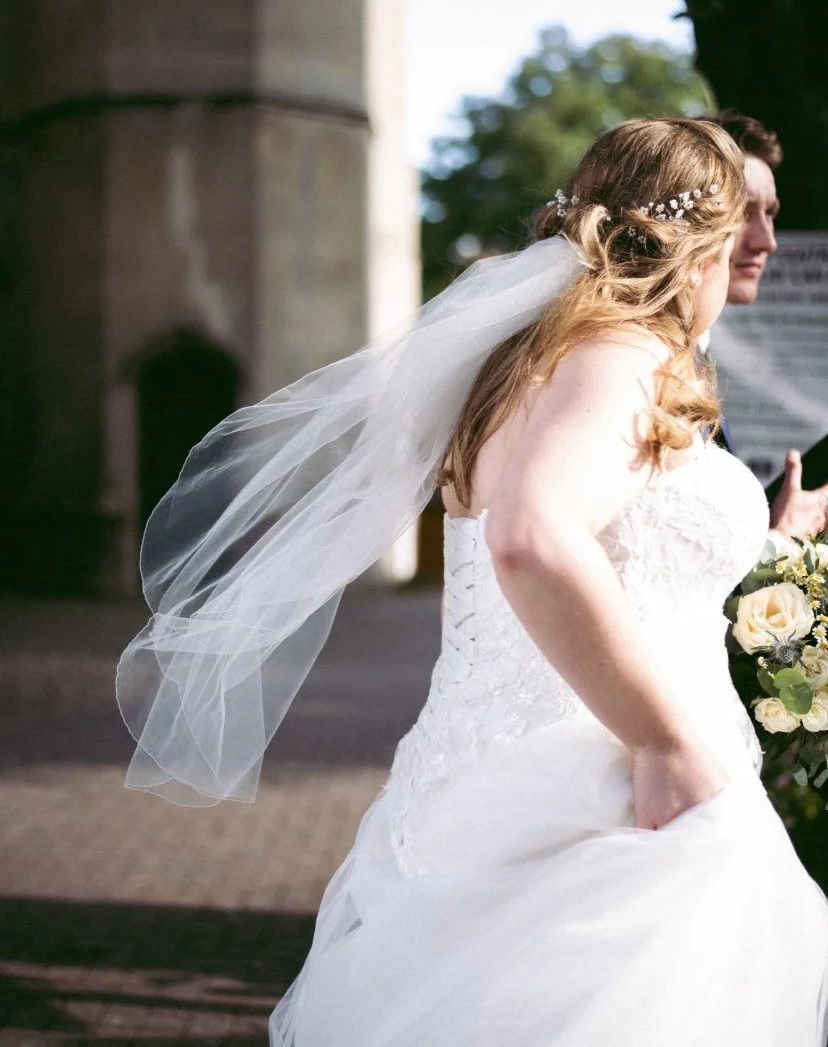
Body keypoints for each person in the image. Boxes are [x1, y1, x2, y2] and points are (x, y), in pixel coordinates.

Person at [119, 119, 828, 1046]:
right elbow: (532, 536)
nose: (757, 248)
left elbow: (622, 541)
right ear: (693, 238)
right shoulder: (626, 356)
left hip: (489, 779)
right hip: (611, 795)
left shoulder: (530, 365)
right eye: (743, 223)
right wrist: (664, 745)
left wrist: (766, 536)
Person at [706, 111, 828, 539]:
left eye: (771, 213)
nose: (767, 241)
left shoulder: (694, 357)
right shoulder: (635, 362)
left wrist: (776, 534)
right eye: (744, 212)